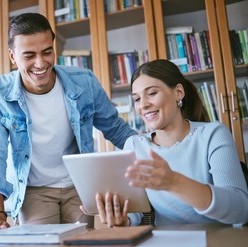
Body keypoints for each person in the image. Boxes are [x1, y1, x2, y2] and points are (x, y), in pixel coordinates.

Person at [0, 13, 137, 238]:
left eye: (47, 52)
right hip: (34, 191)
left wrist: (156, 153)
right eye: (29, 55)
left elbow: (115, 129)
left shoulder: (84, 82)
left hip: (78, 187)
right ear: (13, 57)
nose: (41, 63)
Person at [91, 59, 248, 228]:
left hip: (220, 244)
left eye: (151, 93)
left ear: (178, 93)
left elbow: (241, 211)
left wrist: (174, 182)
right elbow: (134, 212)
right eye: (136, 99)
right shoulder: (135, 146)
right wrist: (123, 220)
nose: (143, 104)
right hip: (167, 245)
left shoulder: (213, 135)